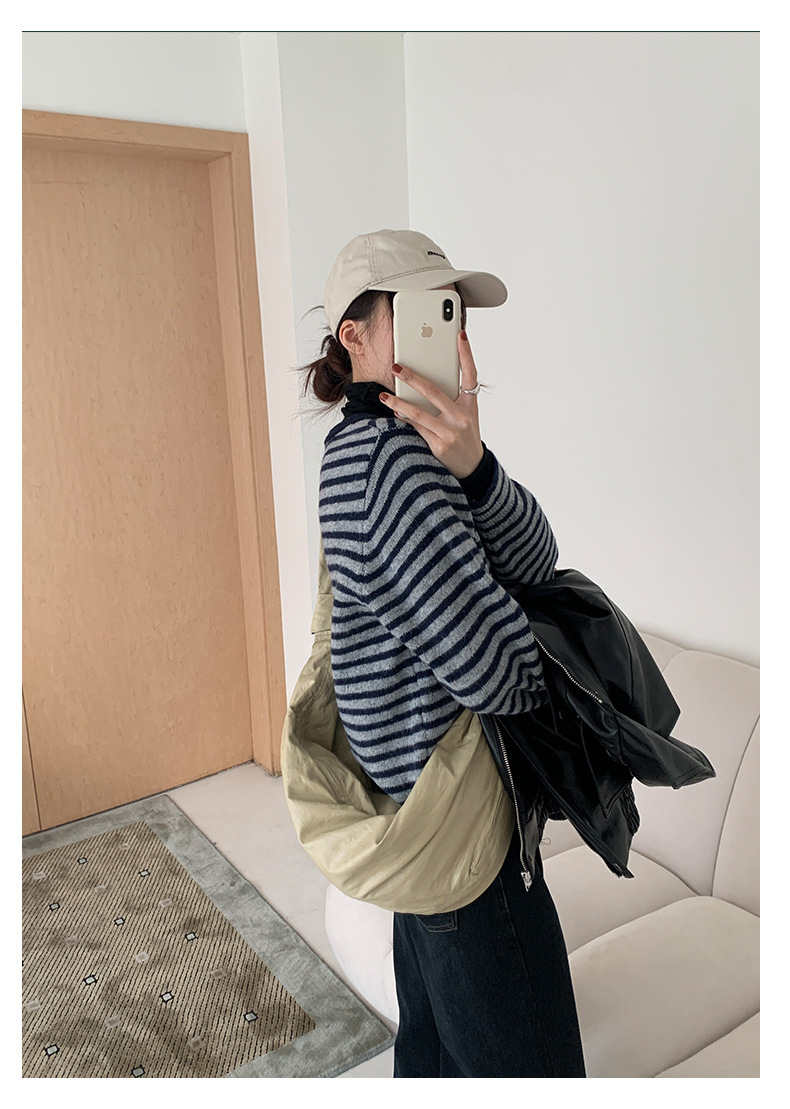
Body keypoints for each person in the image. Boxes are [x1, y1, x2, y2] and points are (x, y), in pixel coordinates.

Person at [299, 228, 586, 1078]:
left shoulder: (376, 446)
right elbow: (501, 669)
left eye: (454, 311)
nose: (453, 334)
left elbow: (537, 562)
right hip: (465, 838)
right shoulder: (392, 464)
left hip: (424, 817)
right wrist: (543, 654)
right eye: (426, 311)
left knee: (431, 1057)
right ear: (355, 336)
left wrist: (476, 466)